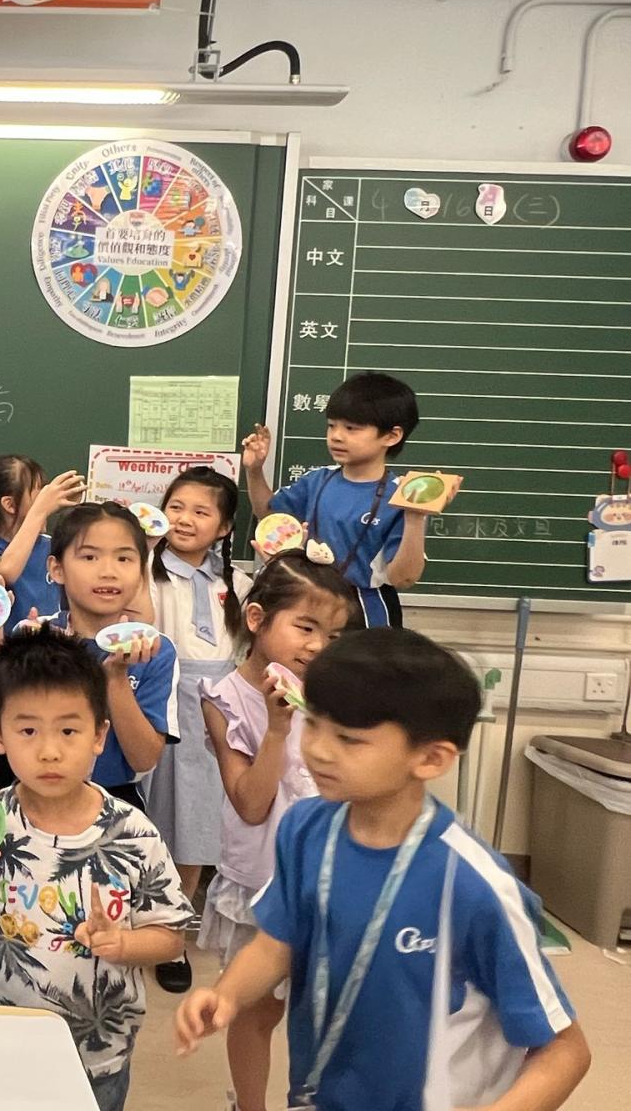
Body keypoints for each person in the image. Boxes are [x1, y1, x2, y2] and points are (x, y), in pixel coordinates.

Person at [177, 628, 591, 1111]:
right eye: (314, 724)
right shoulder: (305, 830)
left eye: (350, 739)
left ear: (431, 758)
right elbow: (277, 944)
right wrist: (227, 994)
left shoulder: (473, 884)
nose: (320, 750)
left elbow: (565, 1050)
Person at [0, 625, 191, 1111]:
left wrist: (124, 944)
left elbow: (170, 936)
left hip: (97, 1056)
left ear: (99, 735)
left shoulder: (132, 831)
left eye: (68, 730)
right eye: (28, 730)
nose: (49, 750)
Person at [196, 552, 354, 1111]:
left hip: (332, 879)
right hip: (262, 881)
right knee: (256, 1011)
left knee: (329, 1009)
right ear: (258, 618)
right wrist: (278, 728)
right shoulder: (224, 698)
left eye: (333, 636)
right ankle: (251, 1105)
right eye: (305, 628)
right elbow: (250, 803)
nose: (317, 646)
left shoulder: (333, 694)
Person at [139, 466, 250, 993]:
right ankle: (134, 926)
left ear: (224, 528)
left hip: (216, 714)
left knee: (197, 829)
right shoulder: (144, 569)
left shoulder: (238, 584)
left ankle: (173, 937)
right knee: (150, 821)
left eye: (201, 512)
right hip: (158, 706)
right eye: (176, 507)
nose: (184, 519)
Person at [243, 371, 429, 628]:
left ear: (391, 436)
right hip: (309, 599)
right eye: (332, 425)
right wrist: (254, 470)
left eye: (351, 428)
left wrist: (415, 518)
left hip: (366, 611)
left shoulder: (401, 495)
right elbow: (269, 515)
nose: (336, 436)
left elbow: (403, 578)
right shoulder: (318, 480)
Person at [46, 503, 179, 810]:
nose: (108, 571)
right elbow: (5, 728)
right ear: (57, 569)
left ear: (141, 571)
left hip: (117, 803)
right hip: (38, 797)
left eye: (124, 558)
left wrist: (116, 678)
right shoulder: (37, 636)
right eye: (89, 557)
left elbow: (144, 759)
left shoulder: (155, 650)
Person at [0, 455, 82, 621]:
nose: (46, 502)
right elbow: (5, 574)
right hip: (10, 637)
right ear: (10, 505)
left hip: (52, 635)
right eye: (39, 495)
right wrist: (40, 511)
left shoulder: (50, 544)